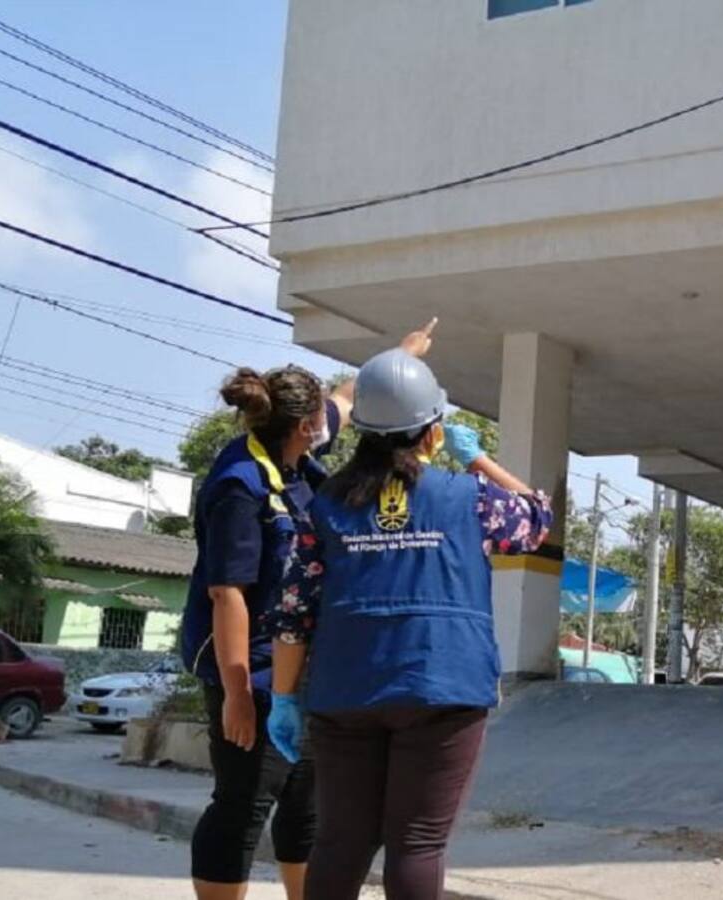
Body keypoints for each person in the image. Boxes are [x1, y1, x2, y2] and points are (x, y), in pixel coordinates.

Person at [265, 346, 553, 900]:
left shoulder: (324, 506)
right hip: (443, 686)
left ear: (364, 431)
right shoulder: (469, 497)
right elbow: (537, 517)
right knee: (417, 843)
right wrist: (478, 461)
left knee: (341, 842)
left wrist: (282, 696)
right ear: (432, 431)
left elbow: (294, 614)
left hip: (346, 691)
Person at [180, 323, 436, 900]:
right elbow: (228, 595)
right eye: (317, 420)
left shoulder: (294, 453)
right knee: (245, 801)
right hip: (248, 664)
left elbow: (345, 398)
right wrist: (240, 695)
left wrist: (403, 354)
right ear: (302, 427)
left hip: (302, 666)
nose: (329, 424)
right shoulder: (240, 487)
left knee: (305, 799)